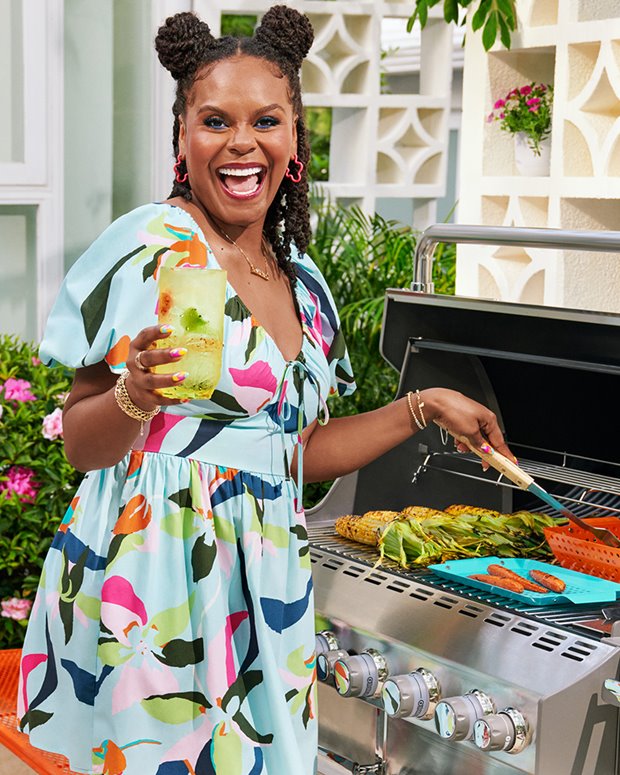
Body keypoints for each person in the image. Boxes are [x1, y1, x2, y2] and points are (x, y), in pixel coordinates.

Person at [17, 6, 512, 775]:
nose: (242, 142)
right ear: (182, 137)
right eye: (215, 120)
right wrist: (134, 397)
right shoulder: (147, 248)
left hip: (266, 578)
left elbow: (295, 451)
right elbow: (83, 444)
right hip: (152, 577)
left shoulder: (303, 282)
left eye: (266, 121)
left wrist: (424, 406)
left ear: (294, 141)